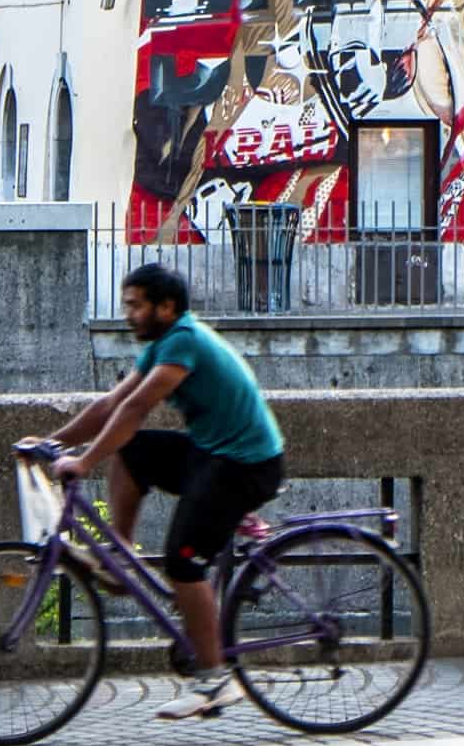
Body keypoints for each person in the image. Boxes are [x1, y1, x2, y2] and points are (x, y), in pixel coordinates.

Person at [34, 263, 286, 720]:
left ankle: (215, 680)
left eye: (136, 305)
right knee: (132, 453)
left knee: (182, 564)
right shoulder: (164, 344)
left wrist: (84, 461)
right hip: (214, 453)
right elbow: (111, 404)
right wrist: (54, 442)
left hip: (246, 464)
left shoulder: (183, 342)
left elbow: (135, 407)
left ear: (165, 307)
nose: (127, 313)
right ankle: (119, 555)